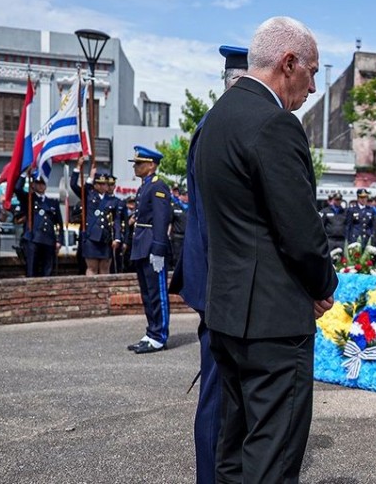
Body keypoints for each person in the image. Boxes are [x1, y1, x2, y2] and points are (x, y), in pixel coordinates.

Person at [195, 16, 338, 483]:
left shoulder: (216, 119)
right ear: (288, 62)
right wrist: (323, 285)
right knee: (272, 459)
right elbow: (299, 231)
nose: (314, 86)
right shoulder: (275, 124)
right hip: (273, 325)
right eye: (312, 72)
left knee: (233, 451)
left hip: (227, 314)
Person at [168, 43, 248, 484]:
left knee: (226, 391)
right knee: (218, 394)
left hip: (216, 281)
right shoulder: (219, 127)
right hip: (220, 284)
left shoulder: (213, 125)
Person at [126, 146, 173, 354]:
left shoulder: (157, 185)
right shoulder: (144, 186)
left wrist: (159, 249)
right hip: (141, 245)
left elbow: (162, 219)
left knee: (158, 293)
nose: (135, 167)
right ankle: (151, 331)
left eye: (139, 163)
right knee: (147, 293)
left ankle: (160, 335)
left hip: (152, 245)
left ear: (151, 164)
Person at [71, 160, 121, 275]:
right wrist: (79, 168)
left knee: (105, 268)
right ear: (95, 185)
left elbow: (116, 220)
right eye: (101, 184)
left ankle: (104, 292)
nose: (104, 186)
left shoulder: (112, 200)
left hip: (105, 238)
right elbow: (73, 185)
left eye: (106, 184)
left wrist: (117, 237)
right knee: (91, 268)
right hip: (92, 237)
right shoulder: (88, 195)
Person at [14, 173, 63, 277]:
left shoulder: (52, 202)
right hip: (33, 238)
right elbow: (17, 189)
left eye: (43, 184)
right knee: (31, 269)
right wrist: (23, 174)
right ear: (33, 185)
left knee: (48, 270)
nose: (41, 186)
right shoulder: (29, 199)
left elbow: (58, 223)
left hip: (49, 239)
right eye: (38, 183)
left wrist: (59, 240)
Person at [105, 175, 126, 273]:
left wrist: (123, 240)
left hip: (115, 236)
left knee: (116, 264)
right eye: (108, 185)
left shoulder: (119, 202)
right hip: (104, 236)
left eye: (112, 185)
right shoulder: (101, 200)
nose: (110, 187)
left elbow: (122, 222)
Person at [169, 187, 187, 267]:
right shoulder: (174, 207)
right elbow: (170, 222)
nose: (186, 196)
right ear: (179, 196)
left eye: (187, 194)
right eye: (184, 195)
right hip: (177, 237)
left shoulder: (192, 207)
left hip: (189, 236)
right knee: (177, 257)